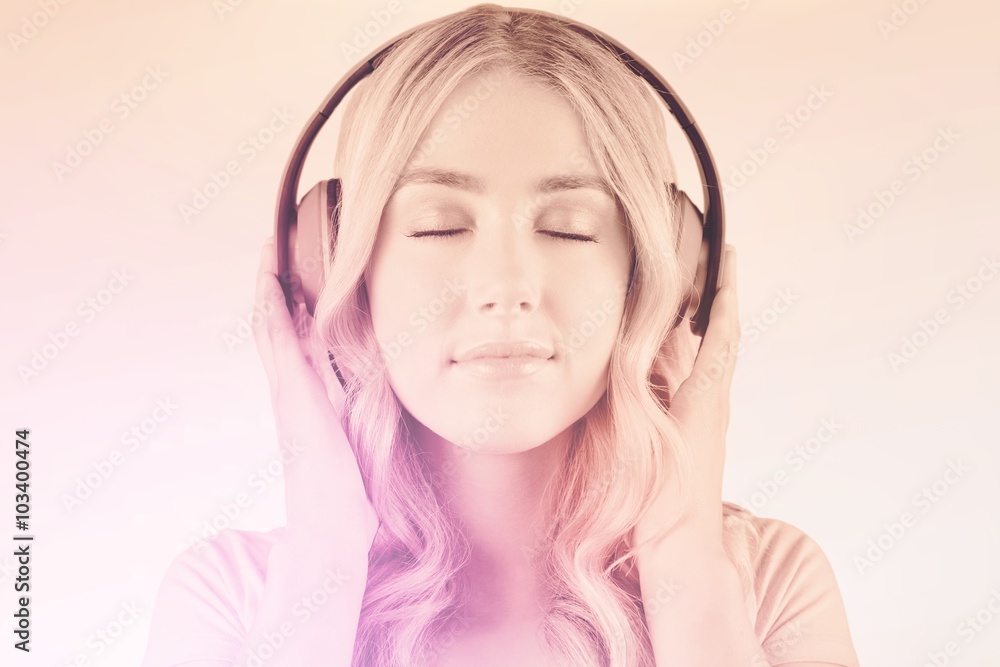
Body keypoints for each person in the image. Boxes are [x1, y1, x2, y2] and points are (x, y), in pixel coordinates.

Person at [141, 5, 860, 666]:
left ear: (654, 278)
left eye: (568, 227)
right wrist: (325, 554)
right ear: (339, 265)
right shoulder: (228, 599)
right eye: (440, 226)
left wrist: (684, 563)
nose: (507, 284)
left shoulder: (769, 582)